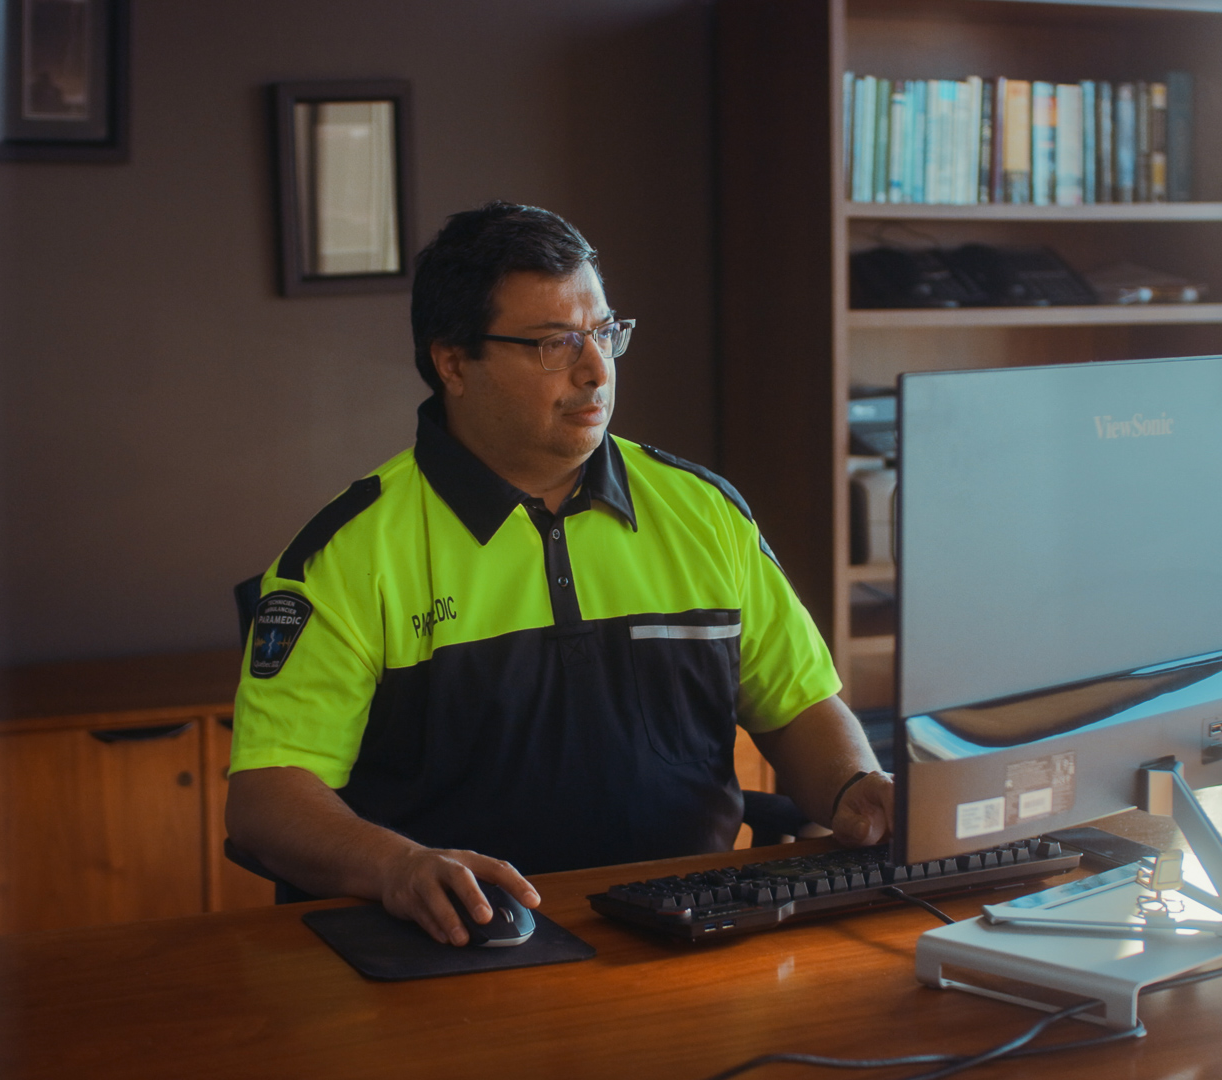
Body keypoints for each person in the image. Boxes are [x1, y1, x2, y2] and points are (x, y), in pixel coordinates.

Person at [227, 202, 894, 946]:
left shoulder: (703, 511)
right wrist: (397, 866)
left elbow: (799, 704)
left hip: (693, 927)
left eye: (606, 333)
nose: (596, 369)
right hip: (459, 946)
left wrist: (856, 789)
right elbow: (266, 800)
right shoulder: (348, 554)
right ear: (452, 361)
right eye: (555, 344)